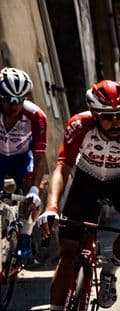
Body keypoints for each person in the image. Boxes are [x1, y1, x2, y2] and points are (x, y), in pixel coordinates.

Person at [34, 81, 120, 311]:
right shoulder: (78, 125)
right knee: (69, 254)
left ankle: (110, 271)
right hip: (87, 181)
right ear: (94, 114)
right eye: (108, 116)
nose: (116, 120)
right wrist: (51, 206)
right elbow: (63, 168)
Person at [0, 67, 47, 260]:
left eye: (20, 99)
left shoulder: (36, 116)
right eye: (9, 99)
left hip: (22, 158)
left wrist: (34, 190)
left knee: (35, 190)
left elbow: (40, 157)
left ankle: (26, 234)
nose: (14, 105)